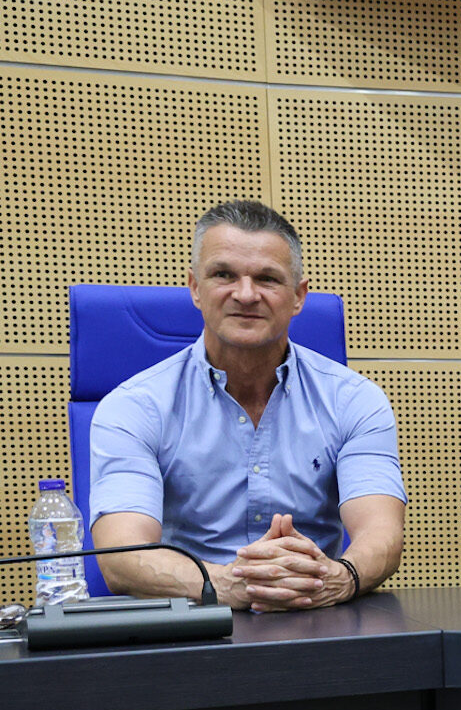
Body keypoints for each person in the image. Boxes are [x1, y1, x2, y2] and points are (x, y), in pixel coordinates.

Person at [91, 201, 406, 610]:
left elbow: (382, 535)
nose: (245, 294)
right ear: (195, 288)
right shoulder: (134, 407)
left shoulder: (354, 400)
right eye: (223, 275)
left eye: (267, 278)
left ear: (298, 296)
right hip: (191, 623)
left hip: (316, 616)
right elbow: (121, 557)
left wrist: (338, 578)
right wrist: (227, 585)